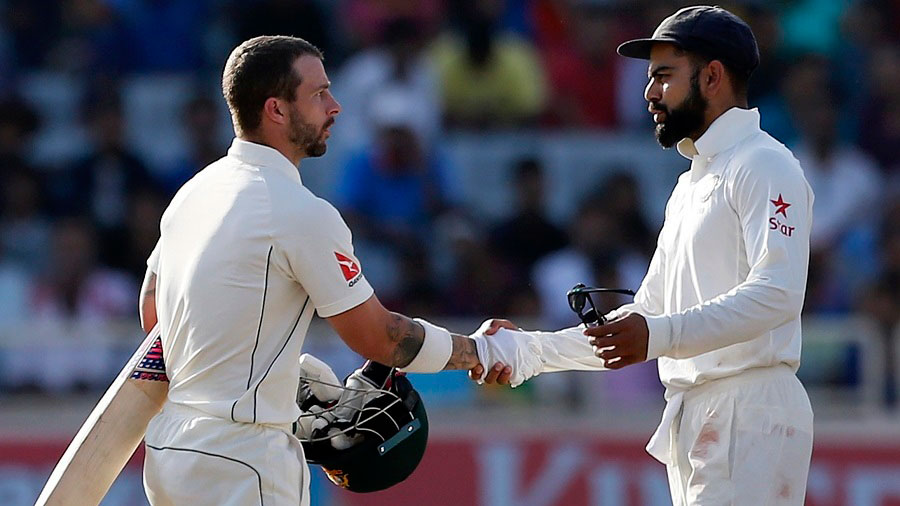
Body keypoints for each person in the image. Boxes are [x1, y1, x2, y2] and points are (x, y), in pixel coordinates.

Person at [138, 36, 541, 506]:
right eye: (318, 94)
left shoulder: (193, 192)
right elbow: (382, 338)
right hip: (245, 458)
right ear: (277, 110)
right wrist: (478, 351)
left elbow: (153, 315)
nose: (336, 106)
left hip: (170, 450)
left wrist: (246, 376)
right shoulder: (299, 211)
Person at [473, 6, 815, 505]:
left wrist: (659, 333)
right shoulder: (690, 183)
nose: (649, 93)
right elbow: (649, 314)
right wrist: (530, 352)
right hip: (701, 411)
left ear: (713, 76)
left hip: (748, 408)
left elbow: (778, 294)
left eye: (663, 76)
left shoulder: (764, 164)